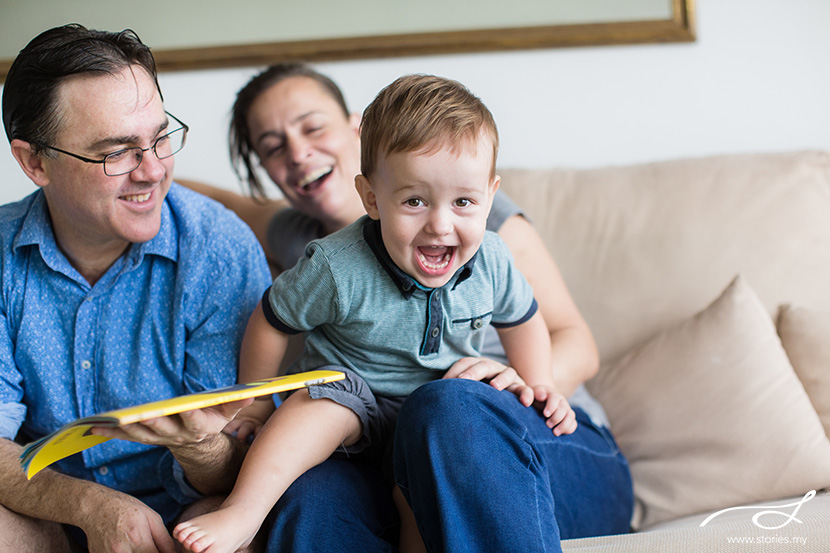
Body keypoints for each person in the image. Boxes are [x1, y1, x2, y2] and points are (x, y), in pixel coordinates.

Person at [184, 63, 634, 552]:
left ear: (354, 129)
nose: (298, 153)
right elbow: (228, 208)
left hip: (507, 434)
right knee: (311, 493)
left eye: (312, 127)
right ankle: (243, 515)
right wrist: (145, 165)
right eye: (273, 146)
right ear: (371, 194)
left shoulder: (483, 229)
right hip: (372, 424)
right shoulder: (307, 243)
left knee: (447, 405)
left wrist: (527, 386)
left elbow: (560, 333)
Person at [0, 24, 272, 552]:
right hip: (46, 505)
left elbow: (237, 468)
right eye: (117, 152)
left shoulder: (220, 251)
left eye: (159, 138)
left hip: (187, 506)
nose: (153, 171)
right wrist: (89, 507)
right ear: (35, 162)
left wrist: (201, 447)